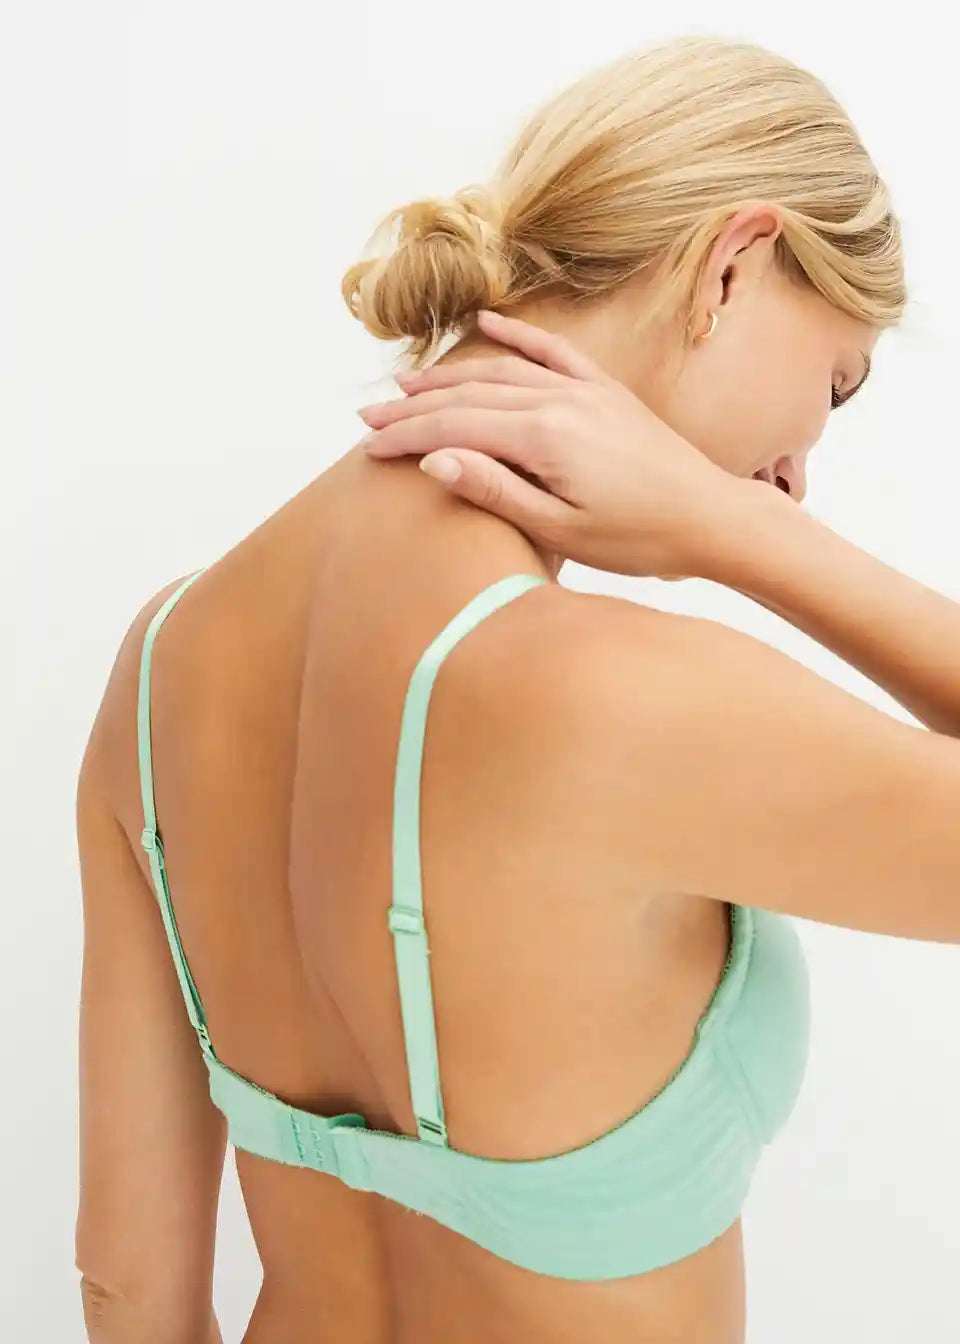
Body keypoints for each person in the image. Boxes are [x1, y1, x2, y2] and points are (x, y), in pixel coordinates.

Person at [74, 34, 955, 1344]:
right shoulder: (608, 699)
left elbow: (126, 1286)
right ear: (733, 264)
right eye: (836, 381)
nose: (800, 472)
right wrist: (739, 535)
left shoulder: (159, 664)